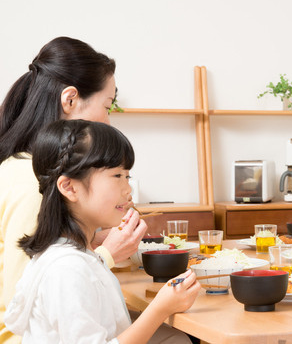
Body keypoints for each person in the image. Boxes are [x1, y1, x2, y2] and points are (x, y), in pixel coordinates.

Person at [0, 36, 146, 343]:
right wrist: (105, 253)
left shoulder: (20, 165)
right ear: (69, 100)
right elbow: (26, 294)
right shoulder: (33, 183)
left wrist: (88, 235)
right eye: (107, 106)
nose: (109, 120)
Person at [4, 119, 200, 343]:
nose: (128, 190)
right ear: (69, 187)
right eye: (117, 176)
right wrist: (160, 308)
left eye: (128, 176)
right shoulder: (67, 269)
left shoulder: (73, 255)